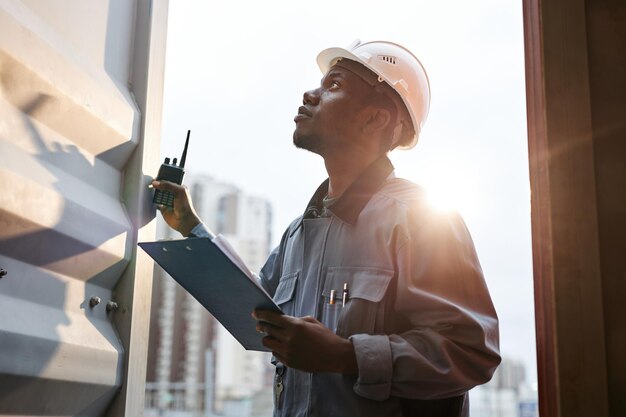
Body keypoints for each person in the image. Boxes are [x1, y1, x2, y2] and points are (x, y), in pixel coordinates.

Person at [152, 40, 500, 417]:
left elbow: (470, 353)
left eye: (333, 85)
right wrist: (191, 227)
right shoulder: (299, 233)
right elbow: (254, 307)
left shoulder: (422, 219)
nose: (310, 94)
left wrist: (344, 355)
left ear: (375, 118)